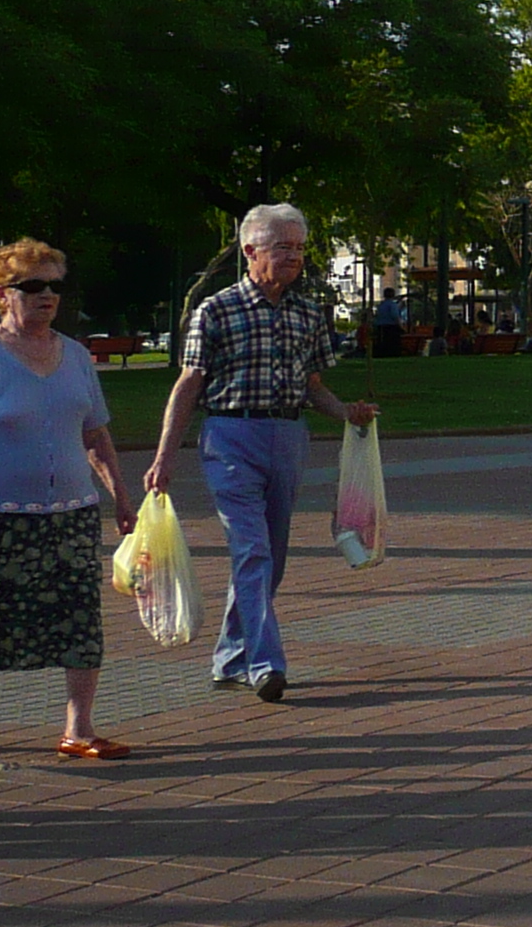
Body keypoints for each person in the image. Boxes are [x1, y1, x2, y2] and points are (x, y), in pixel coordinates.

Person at [145, 203, 377, 704]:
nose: (292, 257)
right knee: (251, 550)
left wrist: (346, 412)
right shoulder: (217, 310)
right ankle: (265, 663)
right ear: (251, 251)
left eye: (298, 248)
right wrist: (164, 456)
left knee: (269, 560)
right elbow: (189, 385)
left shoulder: (308, 312)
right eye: (281, 248)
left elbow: (312, 386)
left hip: (287, 438)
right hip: (231, 438)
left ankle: (230, 658)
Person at [0, 240, 138, 760]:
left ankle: (78, 729)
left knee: (80, 620)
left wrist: (123, 499)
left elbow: (96, 437)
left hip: (70, 515)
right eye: (33, 286)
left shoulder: (76, 356)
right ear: (2, 293)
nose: (47, 296)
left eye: (55, 286)